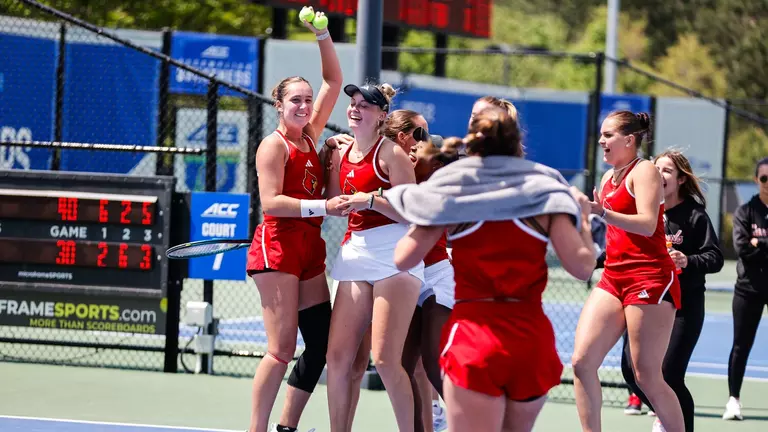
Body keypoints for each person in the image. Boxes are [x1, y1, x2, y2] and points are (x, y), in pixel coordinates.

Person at [385, 108, 598, 432]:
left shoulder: (455, 194)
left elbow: (403, 258)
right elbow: (583, 267)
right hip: (530, 340)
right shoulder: (544, 193)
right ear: (517, 144)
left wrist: (428, 213)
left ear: (474, 146)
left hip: (475, 337)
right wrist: (582, 220)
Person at [243, 12, 344, 432]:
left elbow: (334, 82)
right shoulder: (274, 146)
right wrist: (324, 206)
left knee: (320, 344)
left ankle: (287, 426)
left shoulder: (310, 134)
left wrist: (322, 34)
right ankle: (257, 429)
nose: (304, 105)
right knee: (281, 349)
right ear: (279, 106)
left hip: (309, 248)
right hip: (279, 247)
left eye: (307, 99)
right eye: (295, 101)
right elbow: (271, 204)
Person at [572, 110, 685, 432]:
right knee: (582, 363)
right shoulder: (608, 178)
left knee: (646, 375)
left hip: (649, 277)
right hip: (614, 277)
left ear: (629, 139)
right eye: (601, 135)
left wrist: (602, 213)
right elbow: (610, 229)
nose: (602, 141)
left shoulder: (645, 170)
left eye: (608, 135)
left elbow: (649, 224)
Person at [324, 82, 425, 432]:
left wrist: (370, 200)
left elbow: (412, 214)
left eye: (364, 105)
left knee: (384, 360)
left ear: (381, 116)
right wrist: (326, 161)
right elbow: (337, 206)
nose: (355, 109)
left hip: (394, 254)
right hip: (356, 251)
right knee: (337, 358)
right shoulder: (341, 152)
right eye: (352, 103)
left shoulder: (392, 154)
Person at [620, 150, 724, 431]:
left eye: (667, 170)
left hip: (683, 306)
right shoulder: (645, 210)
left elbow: (715, 258)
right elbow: (625, 249)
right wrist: (593, 259)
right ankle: (667, 415)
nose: (659, 175)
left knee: (669, 375)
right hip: (647, 302)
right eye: (656, 169)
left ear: (680, 180)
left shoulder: (694, 215)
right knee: (631, 370)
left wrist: (687, 260)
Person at [723, 156, 768, 421]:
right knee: (741, 345)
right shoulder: (745, 211)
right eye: (764, 178)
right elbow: (741, 249)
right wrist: (754, 247)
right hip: (748, 289)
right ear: (756, 180)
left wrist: (758, 244)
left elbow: (753, 248)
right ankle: (733, 400)